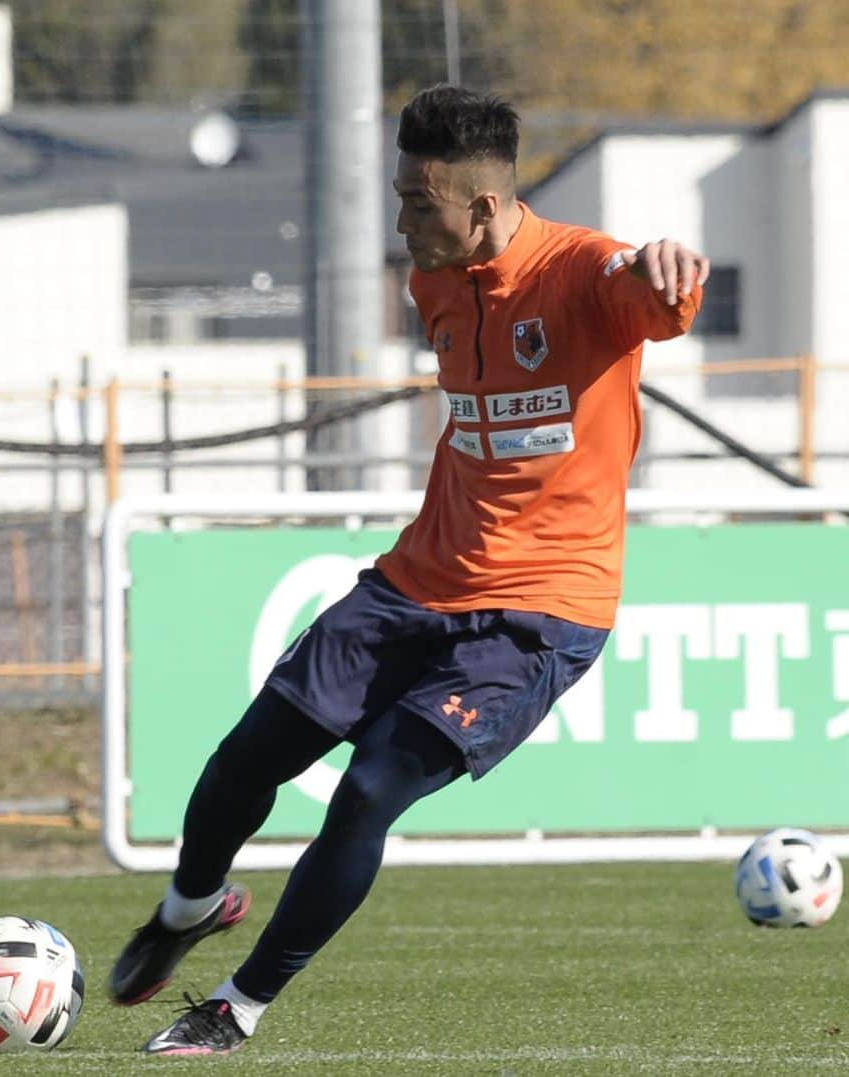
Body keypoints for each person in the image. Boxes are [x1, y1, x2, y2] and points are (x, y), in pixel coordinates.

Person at [109, 84, 709, 1056]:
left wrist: (671, 271)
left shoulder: (580, 274)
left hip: (539, 614)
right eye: (397, 197)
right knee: (247, 757)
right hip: (413, 585)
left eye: (416, 204)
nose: (399, 222)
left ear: (483, 206)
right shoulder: (433, 281)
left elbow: (652, 292)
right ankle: (189, 906)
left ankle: (236, 1007)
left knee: (368, 791)